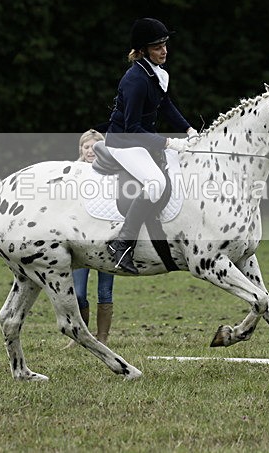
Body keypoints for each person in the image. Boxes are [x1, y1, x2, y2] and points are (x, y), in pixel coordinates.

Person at [104, 18, 197, 274]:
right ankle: (123, 243)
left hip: (139, 139)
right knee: (156, 183)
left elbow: (165, 105)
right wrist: (168, 142)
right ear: (144, 50)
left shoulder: (153, 72)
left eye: (165, 44)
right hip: (123, 142)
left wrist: (189, 130)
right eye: (157, 46)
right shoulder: (135, 79)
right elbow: (131, 128)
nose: (164, 50)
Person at [68, 129, 116, 345]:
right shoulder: (73, 173)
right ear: (81, 149)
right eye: (86, 147)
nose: (90, 151)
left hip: (107, 241)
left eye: (94, 147)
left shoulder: (114, 172)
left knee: (104, 291)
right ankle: (82, 336)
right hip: (80, 241)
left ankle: (103, 338)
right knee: (77, 293)